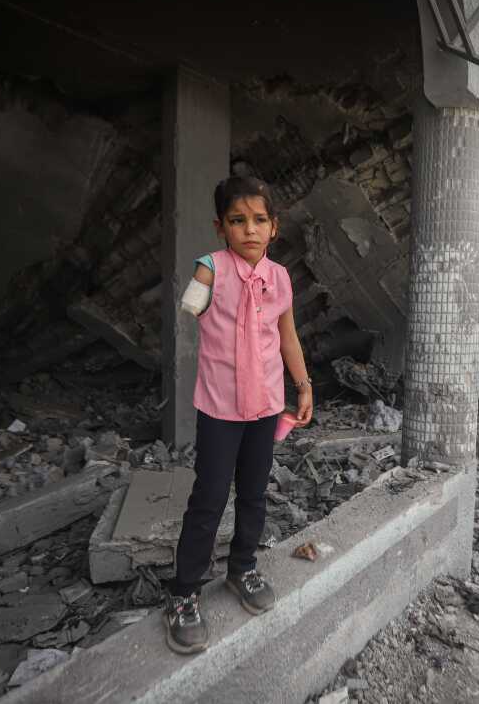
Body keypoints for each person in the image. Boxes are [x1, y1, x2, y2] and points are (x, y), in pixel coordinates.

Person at [164, 175, 313, 654]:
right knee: (208, 498)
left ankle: (242, 567)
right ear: (220, 227)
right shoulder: (213, 269)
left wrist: (303, 384)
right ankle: (184, 593)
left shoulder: (281, 278)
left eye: (259, 220)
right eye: (237, 220)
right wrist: (202, 279)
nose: (249, 229)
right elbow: (191, 303)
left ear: (274, 227)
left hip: (265, 406)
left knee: (253, 493)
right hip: (221, 410)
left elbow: (287, 337)